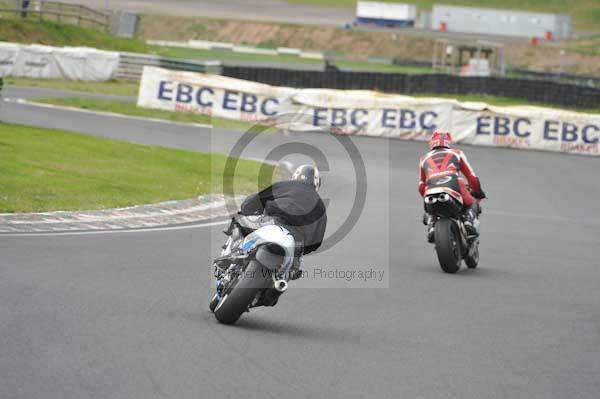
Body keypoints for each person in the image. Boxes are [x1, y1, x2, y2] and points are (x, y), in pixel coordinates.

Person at [238, 164, 327, 278]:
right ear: (316, 184)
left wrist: (246, 211)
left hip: (272, 222)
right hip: (296, 240)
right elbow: (317, 240)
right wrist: (304, 248)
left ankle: (233, 255)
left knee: (238, 222)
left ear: (295, 176)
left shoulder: (286, 185)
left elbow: (254, 200)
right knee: (290, 273)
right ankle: (274, 290)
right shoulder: (320, 204)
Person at [418, 132, 486, 241]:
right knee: (472, 202)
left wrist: (426, 195)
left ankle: (432, 224)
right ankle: (468, 221)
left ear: (431, 143)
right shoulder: (457, 153)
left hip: (430, 188)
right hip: (454, 183)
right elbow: (471, 176)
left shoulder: (423, 158)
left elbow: (421, 185)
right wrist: (478, 192)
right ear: (448, 142)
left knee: (429, 210)